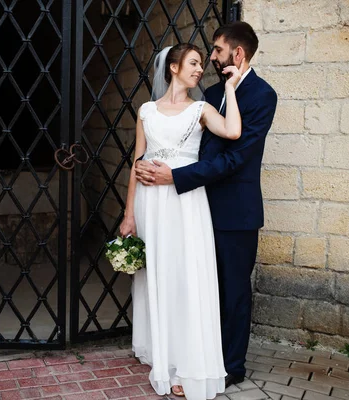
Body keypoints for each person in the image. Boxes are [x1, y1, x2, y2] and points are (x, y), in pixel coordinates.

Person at [134, 22, 278, 388]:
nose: (211, 57)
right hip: (194, 207)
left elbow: (236, 158)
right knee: (197, 288)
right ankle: (195, 357)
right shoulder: (209, 94)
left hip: (234, 212)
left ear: (238, 54)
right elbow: (193, 144)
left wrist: (176, 178)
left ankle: (230, 367)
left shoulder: (263, 96)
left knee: (232, 291)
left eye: (216, 50)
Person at [119, 42, 245, 399]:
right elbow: (136, 162)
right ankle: (163, 353)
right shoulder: (145, 110)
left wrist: (231, 89)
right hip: (150, 203)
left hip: (186, 201)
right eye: (192, 63)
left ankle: (184, 362)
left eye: (201, 64)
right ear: (172, 67)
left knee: (185, 275)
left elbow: (233, 132)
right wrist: (129, 214)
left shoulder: (201, 109)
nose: (198, 69)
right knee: (157, 273)